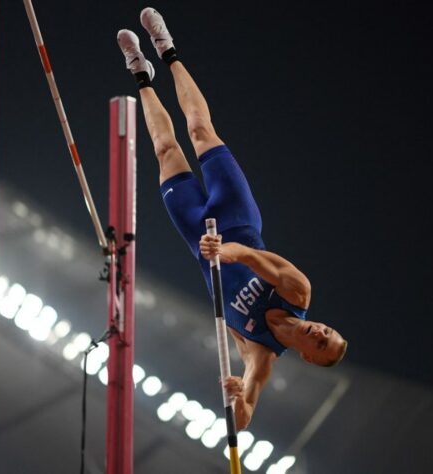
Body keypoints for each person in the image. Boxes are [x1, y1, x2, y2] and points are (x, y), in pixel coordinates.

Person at [117, 7, 348, 431]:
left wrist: (236, 398)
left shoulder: (259, 356)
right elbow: (256, 260)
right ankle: (167, 50)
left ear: (312, 358)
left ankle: (140, 73)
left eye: (321, 343)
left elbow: (241, 422)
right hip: (235, 218)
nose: (320, 332)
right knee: (201, 130)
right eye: (327, 331)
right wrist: (225, 249)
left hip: (198, 240)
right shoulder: (298, 292)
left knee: (165, 151)